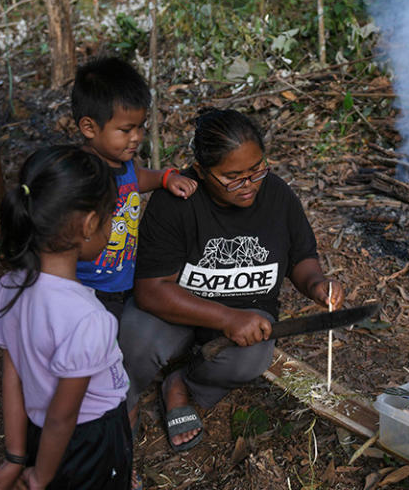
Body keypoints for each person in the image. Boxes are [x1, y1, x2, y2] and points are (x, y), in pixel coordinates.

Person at [119, 108, 344, 452]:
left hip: (247, 310)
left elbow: (301, 257)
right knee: (135, 337)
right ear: (200, 171)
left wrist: (316, 284)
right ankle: (125, 402)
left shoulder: (277, 195)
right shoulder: (176, 201)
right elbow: (150, 291)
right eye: (233, 177)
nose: (248, 185)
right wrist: (225, 317)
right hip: (176, 312)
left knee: (251, 358)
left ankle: (183, 385)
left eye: (256, 170)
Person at [0, 145, 132, 490]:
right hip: (87, 442)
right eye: (110, 217)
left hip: (36, 434)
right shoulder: (88, 318)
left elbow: (12, 377)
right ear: (90, 224)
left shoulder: (9, 287)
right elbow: (63, 416)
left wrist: (16, 457)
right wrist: (41, 478)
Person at [72, 56, 197, 317]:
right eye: (126, 129)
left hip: (124, 278)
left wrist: (164, 178)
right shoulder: (82, 174)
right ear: (89, 127)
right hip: (89, 286)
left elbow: (135, 179)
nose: (137, 137)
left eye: (140, 127)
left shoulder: (122, 161)